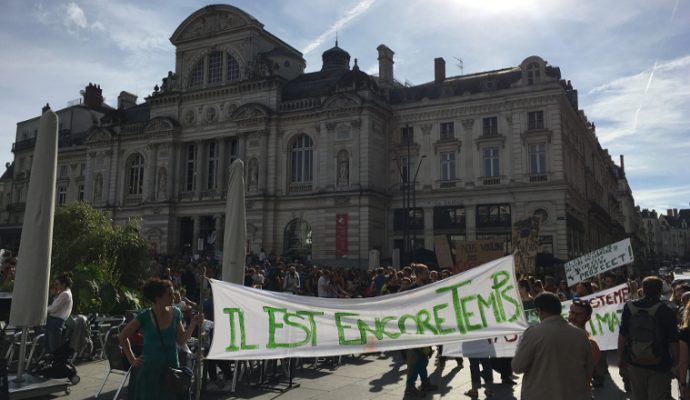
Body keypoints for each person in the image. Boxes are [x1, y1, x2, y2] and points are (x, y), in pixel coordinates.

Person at [119, 278, 204, 400]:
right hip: (149, 372)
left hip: (171, 371)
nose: (173, 298)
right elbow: (122, 336)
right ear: (157, 298)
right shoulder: (144, 316)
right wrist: (132, 359)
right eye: (169, 295)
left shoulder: (176, 313)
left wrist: (193, 325)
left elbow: (181, 340)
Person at [512, 292, 593, 400]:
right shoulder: (581, 335)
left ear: (539, 311)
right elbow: (589, 371)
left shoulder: (532, 334)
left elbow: (517, 367)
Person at [618, 276, 678, 400]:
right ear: (660, 291)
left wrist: (620, 358)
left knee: (638, 396)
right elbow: (673, 341)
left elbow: (622, 335)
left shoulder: (629, 307)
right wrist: (676, 364)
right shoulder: (667, 310)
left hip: (634, 361)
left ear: (643, 289)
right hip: (660, 363)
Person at [403, 264, 438, 397]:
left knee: (423, 357)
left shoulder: (424, 288)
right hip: (415, 329)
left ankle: (424, 383)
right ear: (418, 274)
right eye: (426, 273)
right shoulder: (412, 289)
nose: (428, 275)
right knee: (417, 359)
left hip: (425, 327)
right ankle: (410, 386)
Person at [568, 298, 601, 391]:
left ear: (588, 317)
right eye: (572, 312)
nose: (573, 316)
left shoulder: (591, 344)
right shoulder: (560, 336)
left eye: (578, 314)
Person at [46, 272, 74, 353]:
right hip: (54, 321)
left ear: (64, 284)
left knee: (53, 347)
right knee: (51, 345)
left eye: (57, 284)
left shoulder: (65, 294)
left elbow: (54, 308)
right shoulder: (63, 293)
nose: (56, 286)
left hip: (55, 321)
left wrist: (43, 310)